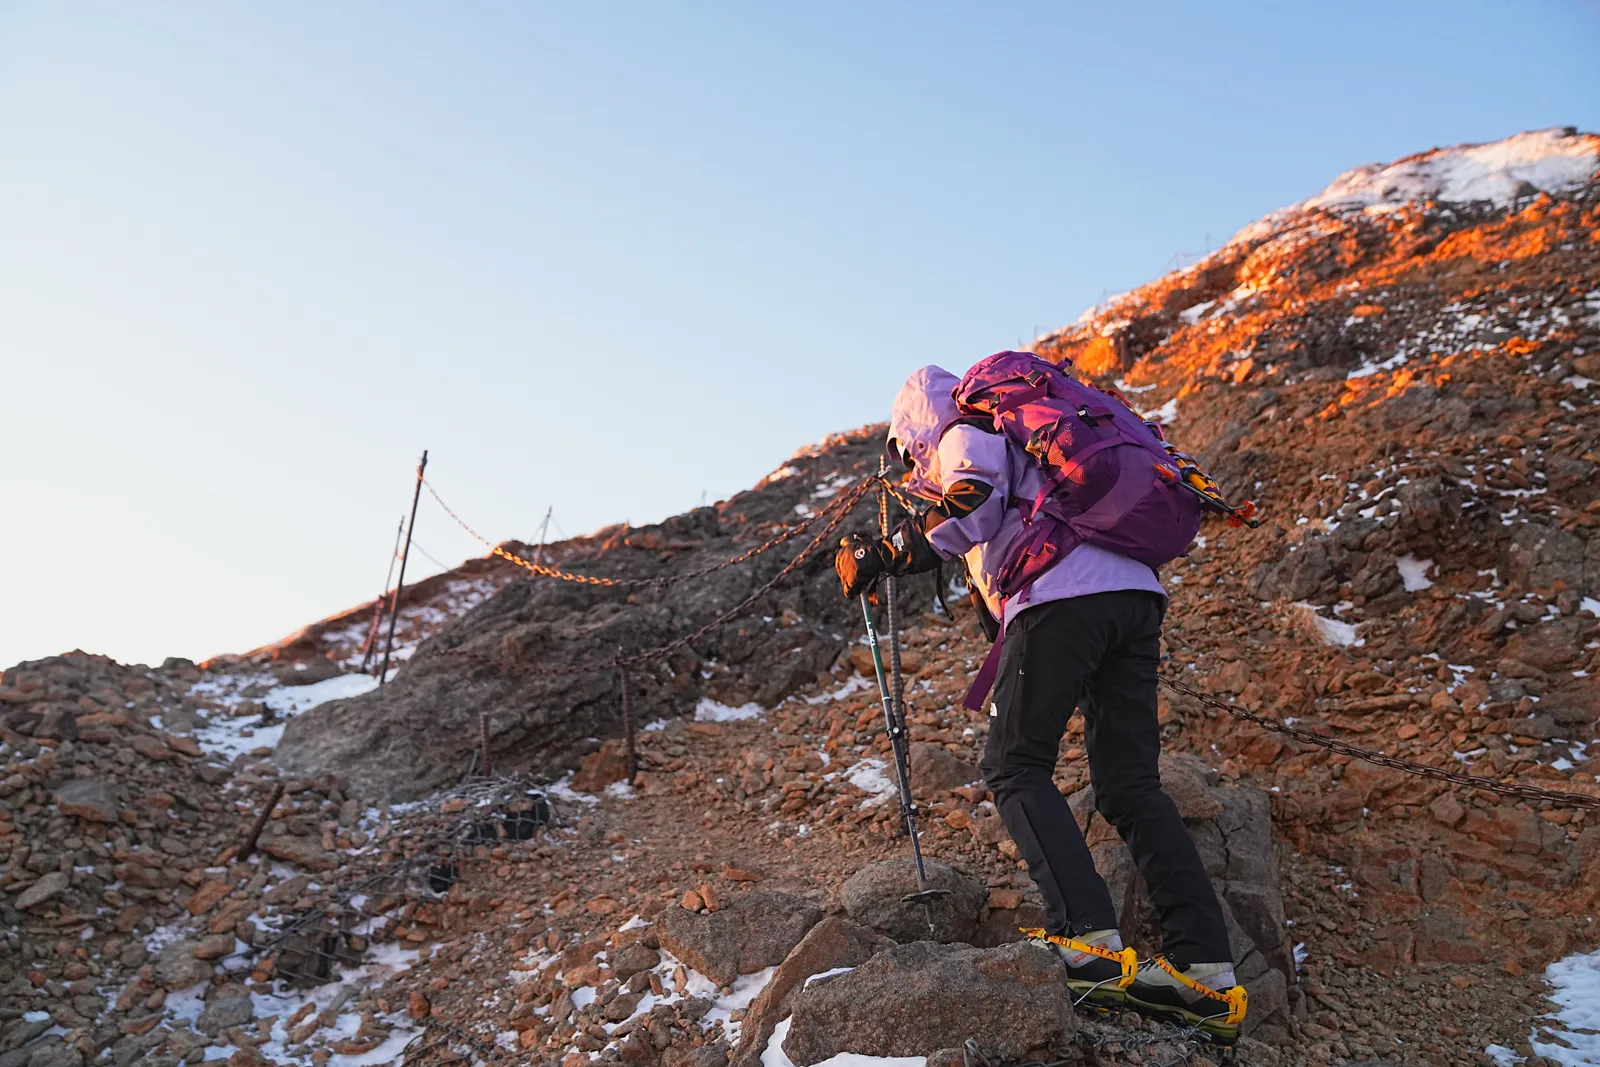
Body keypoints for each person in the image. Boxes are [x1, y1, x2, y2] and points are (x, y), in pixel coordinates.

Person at [835, 363, 1242, 1041]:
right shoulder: (1029, 427)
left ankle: (1088, 939)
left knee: (1015, 764)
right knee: (1131, 786)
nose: (911, 467)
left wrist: (888, 552)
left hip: (1064, 598)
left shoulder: (964, 425)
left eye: (909, 452)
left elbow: (973, 497)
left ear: (915, 427)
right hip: (1135, 598)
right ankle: (1209, 971)